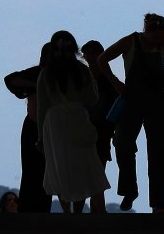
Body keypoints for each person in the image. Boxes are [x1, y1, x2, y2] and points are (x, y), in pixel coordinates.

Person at [97, 13, 164, 213]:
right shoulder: (130, 41)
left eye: (163, 36)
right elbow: (102, 59)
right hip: (132, 97)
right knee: (123, 143)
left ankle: (159, 202)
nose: (159, 40)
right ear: (148, 30)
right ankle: (129, 189)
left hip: (157, 100)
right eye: (157, 36)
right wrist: (116, 82)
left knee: (159, 151)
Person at [37, 31, 110, 213]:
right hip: (78, 117)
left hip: (54, 123)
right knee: (85, 166)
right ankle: (83, 212)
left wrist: (40, 135)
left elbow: (42, 107)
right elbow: (92, 98)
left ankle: (66, 212)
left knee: (60, 167)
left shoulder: (46, 73)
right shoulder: (82, 70)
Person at [4, 43, 53, 213]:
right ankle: (30, 210)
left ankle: (39, 209)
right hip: (35, 126)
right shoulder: (39, 73)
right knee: (34, 172)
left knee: (45, 172)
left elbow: (11, 80)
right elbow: (10, 80)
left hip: (49, 127)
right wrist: (37, 84)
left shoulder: (55, 75)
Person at [82, 40, 117, 170]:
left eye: (93, 53)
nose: (91, 56)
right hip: (86, 129)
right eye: (89, 53)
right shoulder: (83, 79)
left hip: (101, 131)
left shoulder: (108, 81)